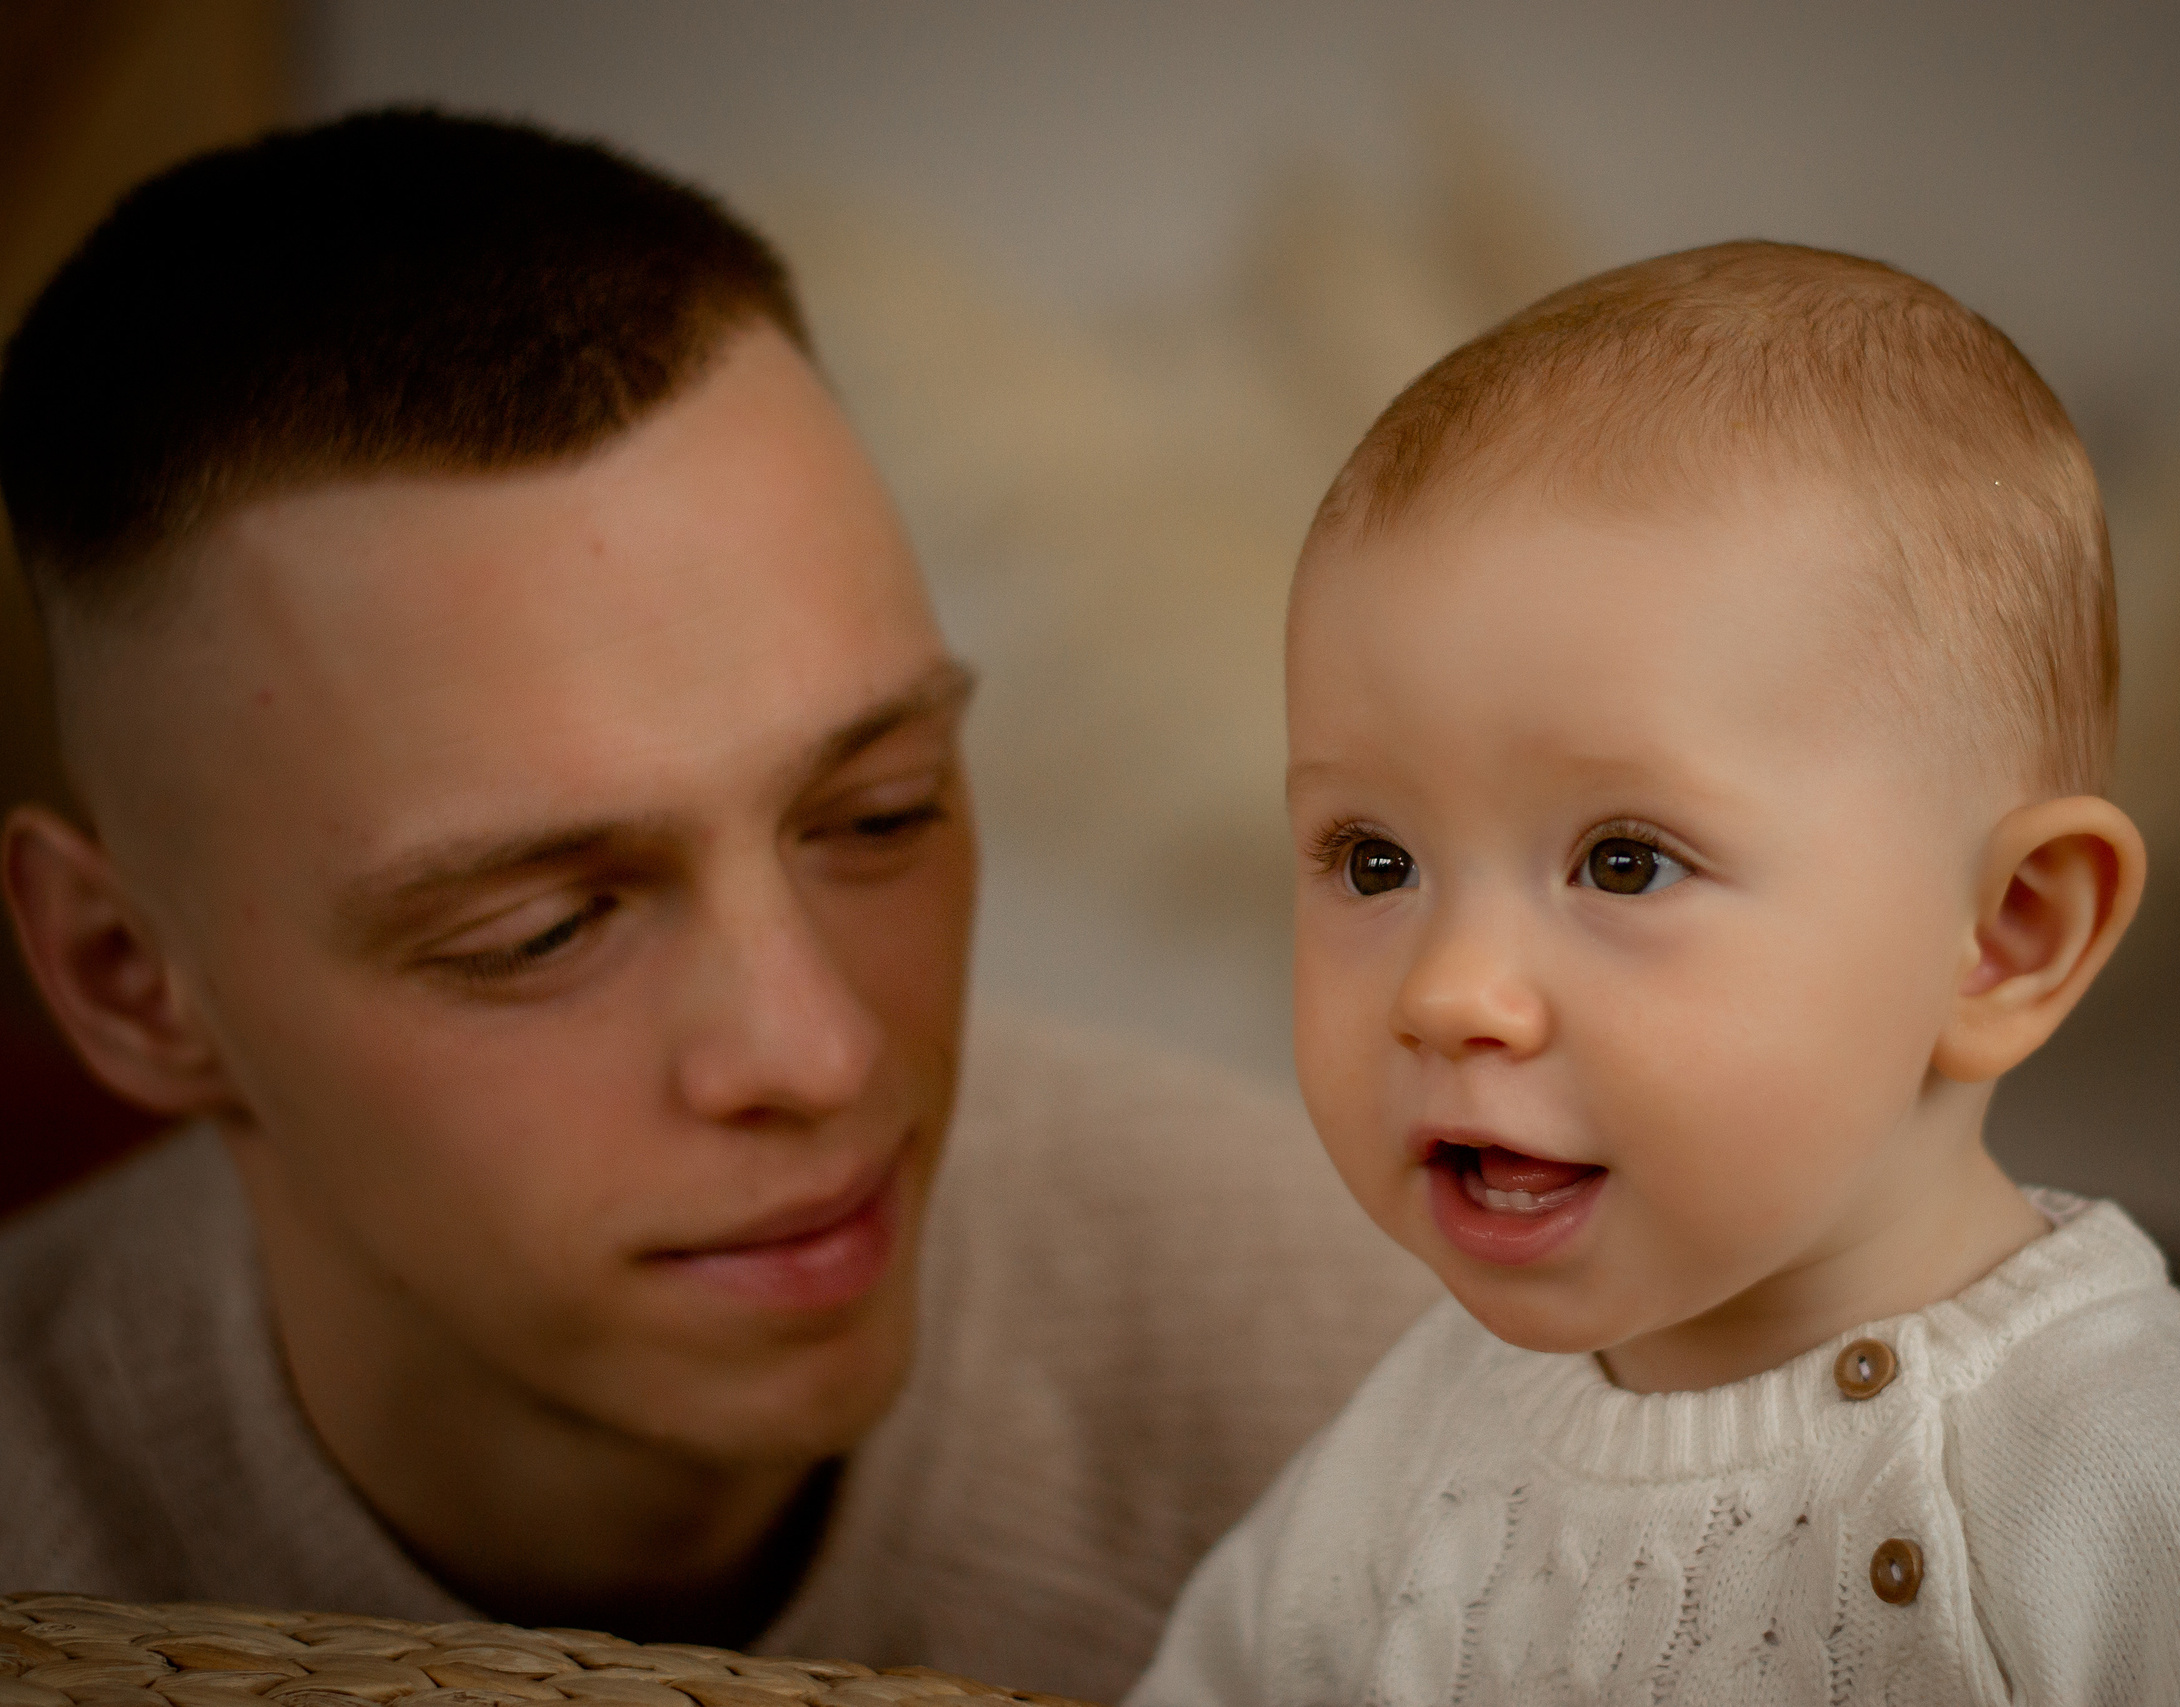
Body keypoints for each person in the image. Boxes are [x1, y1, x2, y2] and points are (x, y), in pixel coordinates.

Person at [0, 111, 1436, 1702]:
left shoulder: (1409, 1424)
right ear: (130, 979)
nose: (818, 1054)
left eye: (878, 814)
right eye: (538, 931)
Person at [1129, 243, 2180, 1705]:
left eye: (1625, 862)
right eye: (1373, 862)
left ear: (2007, 933)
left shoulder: (2146, 1499)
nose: (1449, 993)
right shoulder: (1419, 1449)